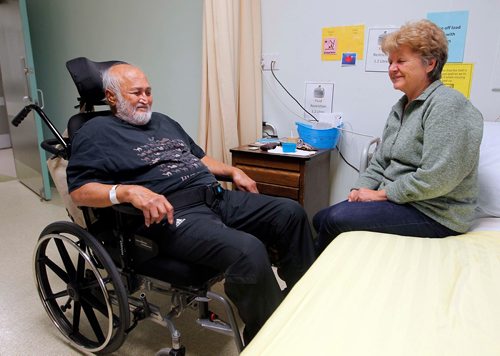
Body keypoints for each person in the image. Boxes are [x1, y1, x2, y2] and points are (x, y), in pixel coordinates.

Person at [66, 63, 316, 343]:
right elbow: (79, 190)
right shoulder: (95, 132)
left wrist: (232, 171)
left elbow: (198, 158)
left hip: (215, 198)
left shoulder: (162, 121)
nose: (145, 98)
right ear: (112, 97)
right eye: (136, 93)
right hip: (171, 215)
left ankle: (300, 301)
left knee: (290, 213)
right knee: (248, 250)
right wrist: (126, 192)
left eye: (148, 91)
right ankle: (269, 339)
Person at [313, 19, 483, 255]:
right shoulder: (401, 107)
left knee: (334, 219)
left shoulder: (447, 104)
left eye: (401, 61)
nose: (392, 68)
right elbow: (381, 162)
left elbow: (436, 178)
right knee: (320, 218)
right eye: (390, 61)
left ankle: (304, 280)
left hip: (435, 212)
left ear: (430, 63)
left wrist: (379, 194)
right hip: (402, 201)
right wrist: (359, 190)